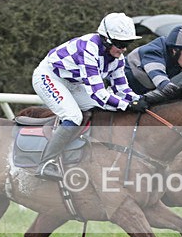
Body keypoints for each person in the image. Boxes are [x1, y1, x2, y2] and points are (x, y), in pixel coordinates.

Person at [32, 12, 142, 180]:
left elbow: (122, 90)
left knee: (101, 111)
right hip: (49, 77)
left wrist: (140, 100)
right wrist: (127, 105)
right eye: (120, 44)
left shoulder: (118, 58)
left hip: (74, 82)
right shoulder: (88, 49)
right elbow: (98, 94)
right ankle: (46, 163)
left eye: (127, 44)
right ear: (106, 40)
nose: (124, 49)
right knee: (73, 116)